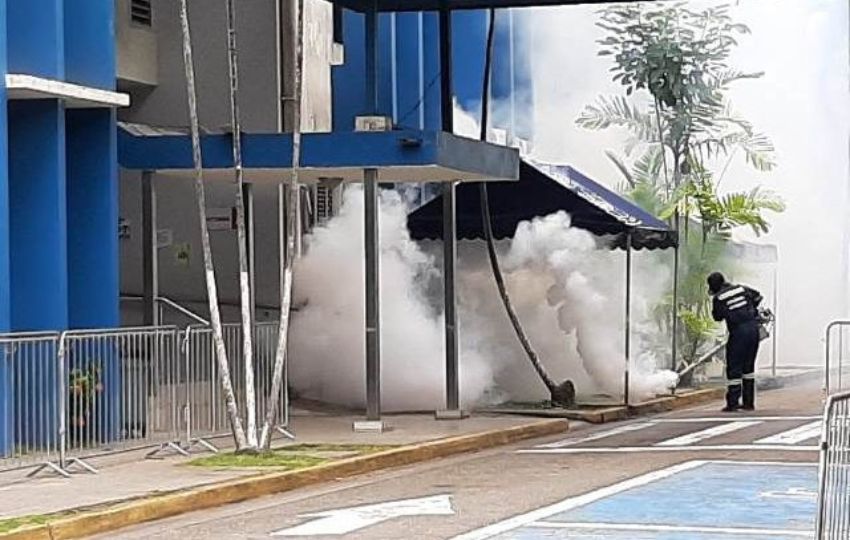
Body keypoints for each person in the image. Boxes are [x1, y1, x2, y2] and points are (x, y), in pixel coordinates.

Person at [707, 272, 763, 412]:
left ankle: (733, 403)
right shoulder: (741, 288)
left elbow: (717, 317)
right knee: (748, 368)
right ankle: (748, 403)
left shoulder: (719, 298)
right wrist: (751, 309)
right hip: (753, 329)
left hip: (738, 332)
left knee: (734, 367)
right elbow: (758, 296)